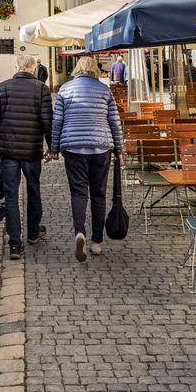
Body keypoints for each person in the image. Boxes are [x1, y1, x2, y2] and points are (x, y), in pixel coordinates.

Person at [51, 55, 124, 262]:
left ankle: (79, 232)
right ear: (96, 70)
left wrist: (54, 148)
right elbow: (114, 122)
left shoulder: (65, 89)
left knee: (78, 192)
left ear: (76, 69)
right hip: (100, 148)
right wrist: (119, 149)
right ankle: (96, 242)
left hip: (73, 148)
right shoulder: (104, 90)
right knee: (99, 194)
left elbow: (57, 121)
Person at [0, 53, 53, 261]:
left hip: (8, 151)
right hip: (32, 150)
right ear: (34, 69)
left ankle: (15, 244)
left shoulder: (2, 87)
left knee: (11, 196)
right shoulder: (41, 89)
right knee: (34, 190)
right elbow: (47, 122)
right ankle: (33, 233)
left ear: (17, 67)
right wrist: (52, 146)